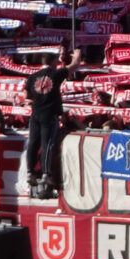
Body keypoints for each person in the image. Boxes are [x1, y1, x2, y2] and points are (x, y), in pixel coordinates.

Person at [25, 47, 81, 197]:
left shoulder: (32, 77)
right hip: (49, 115)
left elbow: (26, 96)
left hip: (35, 114)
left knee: (33, 143)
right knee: (47, 144)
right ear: (52, 61)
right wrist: (77, 53)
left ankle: (30, 172)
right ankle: (46, 173)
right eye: (57, 60)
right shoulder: (55, 74)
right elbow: (75, 65)